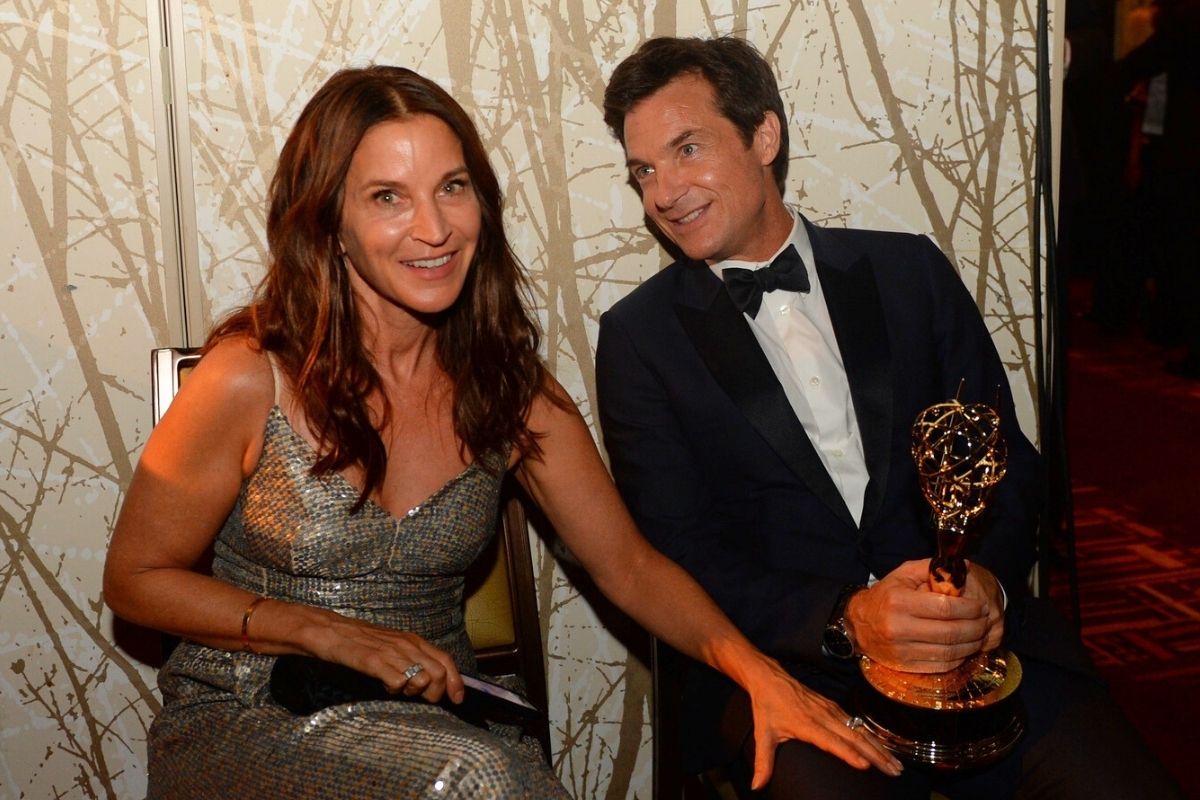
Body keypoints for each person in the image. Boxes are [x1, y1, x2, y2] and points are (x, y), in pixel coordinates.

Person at [103, 65, 901, 799]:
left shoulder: (510, 392)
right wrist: (321, 631)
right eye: (388, 197)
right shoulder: (250, 374)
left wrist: (760, 675)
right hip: (253, 711)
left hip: (435, 717)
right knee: (482, 781)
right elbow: (135, 577)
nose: (433, 228)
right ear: (329, 221)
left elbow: (629, 567)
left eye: (451, 187)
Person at [596, 36, 1182, 799]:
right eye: (645, 169)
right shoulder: (641, 339)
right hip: (790, 674)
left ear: (763, 135)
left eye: (687, 149)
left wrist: (986, 589)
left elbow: (1007, 464)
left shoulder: (909, 272)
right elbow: (678, 555)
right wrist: (848, 619)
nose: (664, 192)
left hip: (981, 651)